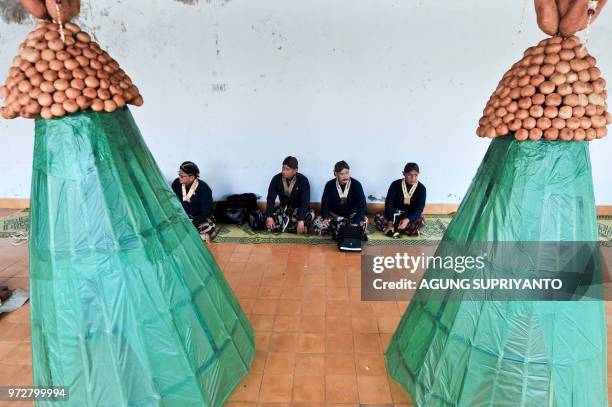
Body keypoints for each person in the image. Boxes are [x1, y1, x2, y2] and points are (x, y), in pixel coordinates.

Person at [313, 160, 368, 240]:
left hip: (352, 216)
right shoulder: (330, 185)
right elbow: (325, 204)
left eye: (347, 173)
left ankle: (340, 231)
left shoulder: (356, 185)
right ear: (336, 173)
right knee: (317, 222)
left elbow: (363, 205)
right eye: (342, 174)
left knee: (363, 221)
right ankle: (345, 232)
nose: (345, 176)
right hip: (335, 216)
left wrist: (356, 223)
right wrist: (326, 217)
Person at [375, 162, 426, 237]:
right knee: (378, 216)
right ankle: (399, 229)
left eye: (415, 175)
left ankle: (394, 230)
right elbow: (389, 204)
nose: (413, 178)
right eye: (409, 175)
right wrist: (390, 221)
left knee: (421, 221)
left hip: (409, 216)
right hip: (394, 214)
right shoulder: (395, 185)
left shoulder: (421, 188)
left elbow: (419, 209)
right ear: (403, 173)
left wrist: (407, 220)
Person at [265, 156, 315, 234]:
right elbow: (270, 198)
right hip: (284, 209)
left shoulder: (303, 180)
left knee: (310, 214)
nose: (284, 171)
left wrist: (301, 220)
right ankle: (292, 226)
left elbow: (305, 202)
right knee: (268, 216)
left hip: (298, 210)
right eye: (283, 168)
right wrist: (269, 217)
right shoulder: (276, 179)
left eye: (287, 169)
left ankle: (291, 225)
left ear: (295, 170)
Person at [171, 161, 216, 242]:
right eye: (179, 174)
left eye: (182, 176)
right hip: (182, 216)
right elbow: (172, 201)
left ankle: (189, 235)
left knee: (209, 226)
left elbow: (207, 211)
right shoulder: (176, 184)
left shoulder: (204, 188)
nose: (179, 177)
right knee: (167, 226)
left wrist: (192, 224)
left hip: (198, 218)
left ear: (192, 177)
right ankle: (198, 237)